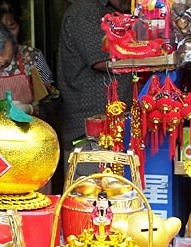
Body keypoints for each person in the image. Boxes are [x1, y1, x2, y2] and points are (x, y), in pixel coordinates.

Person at [56, 0, 134, 189]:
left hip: (112, 132)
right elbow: (103, 61)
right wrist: (151, 54)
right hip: (90, 137)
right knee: (90, 203)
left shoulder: (114, 11)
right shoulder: (85, 11)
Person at [0, 0, 60, 121]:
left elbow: (54, 100)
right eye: (1, 30)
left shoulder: (32, 57)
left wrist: (31, 109)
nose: (7, 36)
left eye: (12, 27)